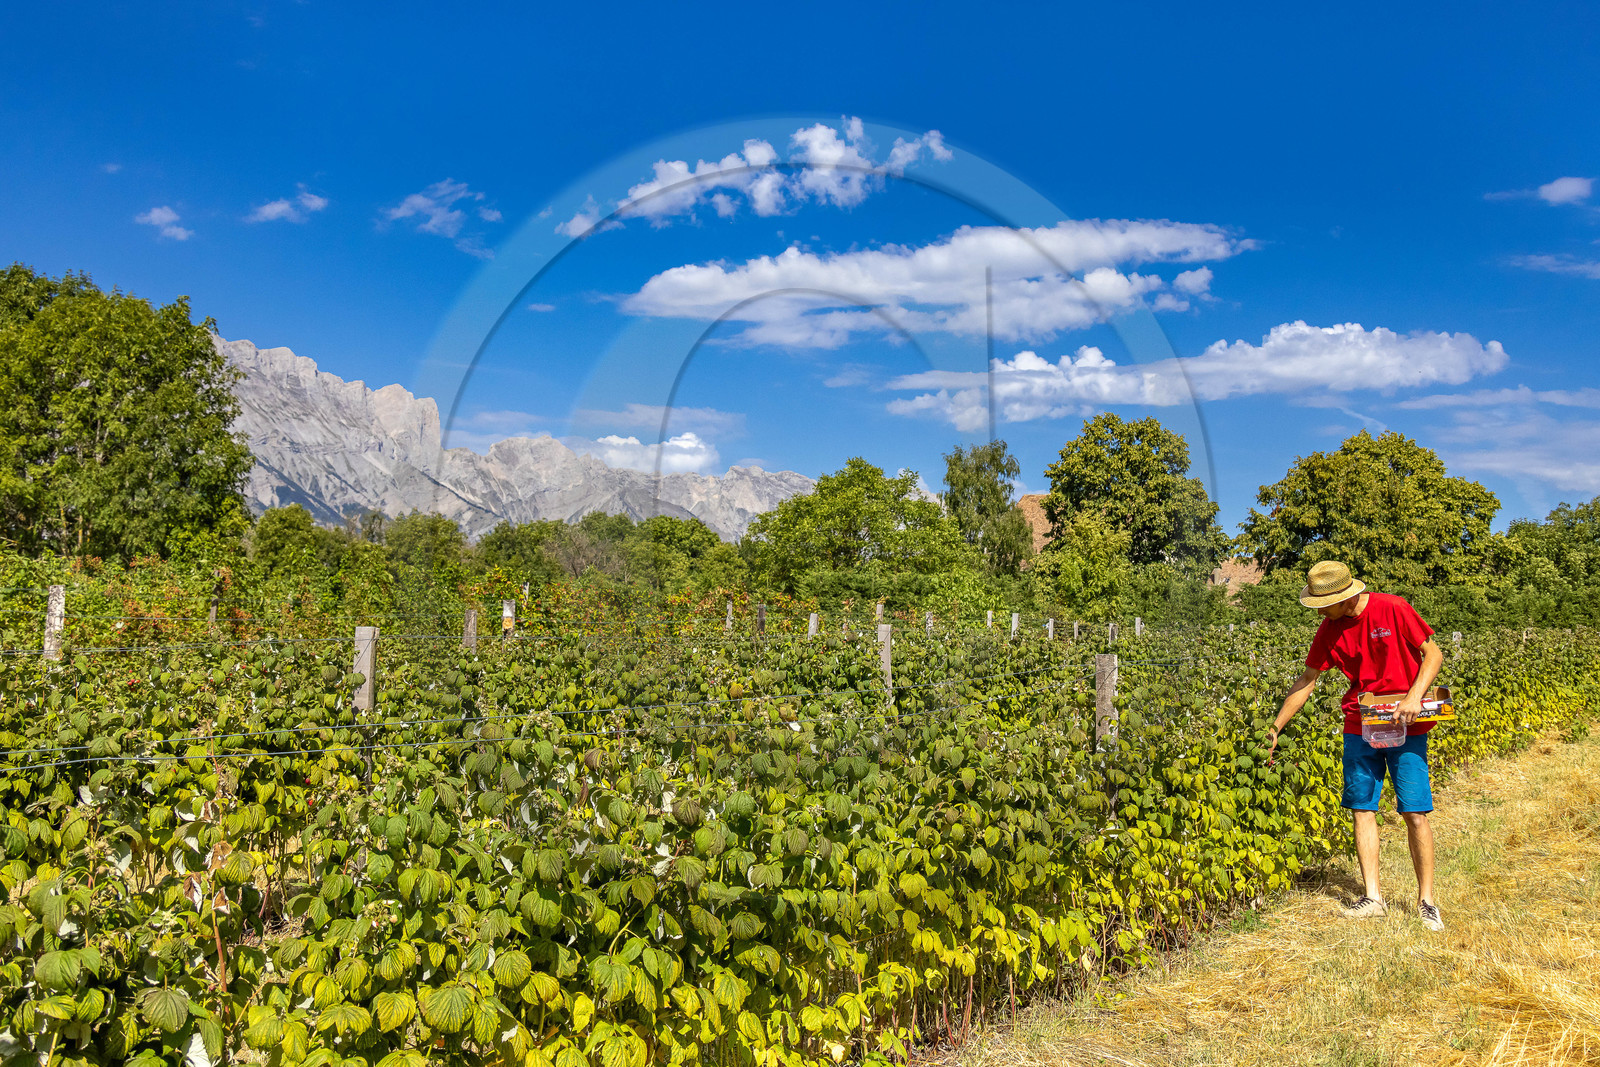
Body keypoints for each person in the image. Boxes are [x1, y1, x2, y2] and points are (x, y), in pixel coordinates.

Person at [1265, 560, 1445, 931]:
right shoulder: (1329, 629)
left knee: (1414, 811)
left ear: (1346, 597)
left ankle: (1427, 901)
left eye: (1323, 604)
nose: (1319, 612)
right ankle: (1373, 898)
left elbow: (1434, 654)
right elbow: (1307, 679)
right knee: (1362, 808)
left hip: (1408, 724)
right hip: (1360, 725)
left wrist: (1414, 697)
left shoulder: (1393, 607)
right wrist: (1275, 728)